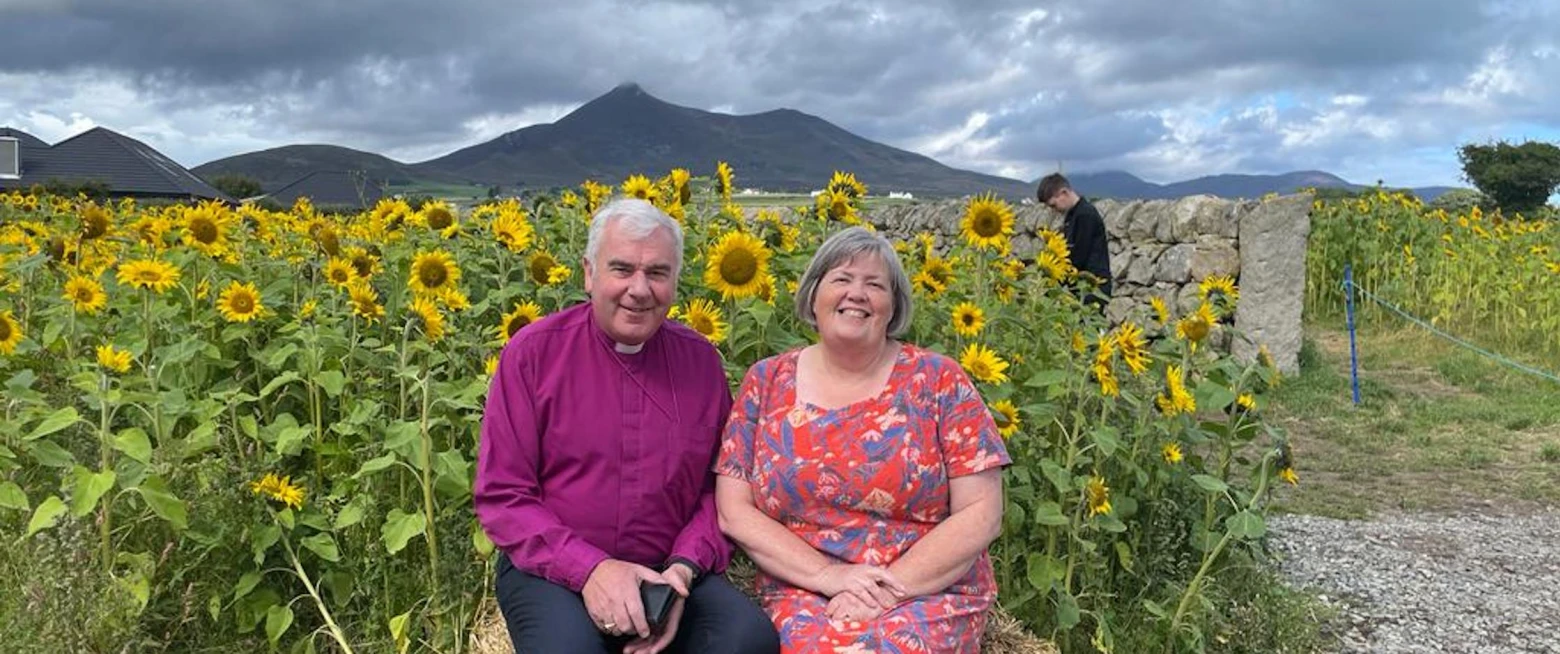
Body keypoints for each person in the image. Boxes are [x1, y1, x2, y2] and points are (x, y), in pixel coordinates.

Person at [475, 198, 779, 654]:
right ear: (588, 273)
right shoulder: (533, 355)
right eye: (622, 269)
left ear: (675, 281)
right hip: (552, 571)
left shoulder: (700, 363)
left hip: (668, 573)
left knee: (746, 639)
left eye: (657, 273)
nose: (639, 289)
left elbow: (718, 491)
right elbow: (504, 496)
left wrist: (681, 572)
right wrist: (591, 570)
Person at [714, 226, 1010, 652]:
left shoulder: (939, 379)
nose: (857, 293)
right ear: (813, 296)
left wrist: (888, 590)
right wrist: (828, 577)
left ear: (893, 307)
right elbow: (734, 510)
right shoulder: (767, 380)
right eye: (841, 279)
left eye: (875, 284)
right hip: (804, 588)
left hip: (925, 589)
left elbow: (981, 512)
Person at [1036, 173, 1112, 306]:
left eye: (1054, 205)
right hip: (1082, 286)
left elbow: (1077, 257)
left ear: (1064, 193)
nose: (1054, 211)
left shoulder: (1085, 215)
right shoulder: (1073, 215)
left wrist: (1053, 279)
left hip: (1092, 287)